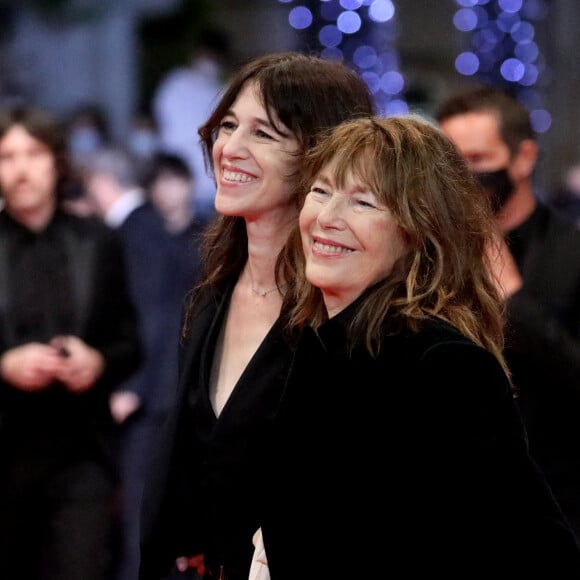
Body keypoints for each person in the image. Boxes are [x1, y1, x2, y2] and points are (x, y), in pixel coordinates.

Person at [261, 115, 580, 578]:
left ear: (415, 231)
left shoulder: (442, 363)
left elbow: (532, 544)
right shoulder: (314, 343)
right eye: (321, 191)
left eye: (363, 202)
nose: (327, 219)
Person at [139, 52, 376, 580]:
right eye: (227, 125)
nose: (230, 149)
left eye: (264, 134)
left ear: (321, 153)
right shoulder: (208, 295)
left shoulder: (351, 314)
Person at [0, 105, 142, 580]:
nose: (21, 169)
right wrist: (4, 365)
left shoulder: (97, 240)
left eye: (34, 153)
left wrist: (98, 361)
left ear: (57, 161)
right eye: (7, 156)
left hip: (83, 452)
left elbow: (130, 343)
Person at [435, 84, 580, 541]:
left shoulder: (571, 254)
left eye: (477, 162)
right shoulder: (428, 255)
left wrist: (510, 295)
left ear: (522, 158)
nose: (464, 180)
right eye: (451, 165)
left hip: (555, 508)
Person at [152, 27, 232, 221]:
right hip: (176, 182)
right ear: (196, 54)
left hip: (211, 190)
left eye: (213, 58)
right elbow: (163, 125)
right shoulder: (175, 84)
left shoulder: (225, 91)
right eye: (206, 55)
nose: (209, 62)